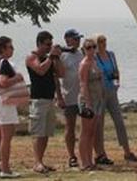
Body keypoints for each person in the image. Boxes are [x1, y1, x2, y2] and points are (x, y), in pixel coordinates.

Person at [93, 34, 137, 164]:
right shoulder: (94, 57)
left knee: (119, 121)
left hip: (112, 91)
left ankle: (127, 151)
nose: (103, 44)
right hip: (100, 93)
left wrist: (117, 82)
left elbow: (116, 70)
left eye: (104, 41)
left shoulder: (111, 55)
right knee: (99, 124)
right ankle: (101, 153)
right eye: (100, 42)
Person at [25, 30, 64, 173]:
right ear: (39, 43)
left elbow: (61, 74)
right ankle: (37, 162)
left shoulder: (50, 59)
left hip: (49, 99)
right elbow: (40, 70)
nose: (49, 47)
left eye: (51, 44)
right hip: (38, 100)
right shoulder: (31, 57)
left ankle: (41, 160)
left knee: (46, 133)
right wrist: (51, 57)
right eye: (47, 44)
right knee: (38, 133)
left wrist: (57, 58)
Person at [0, 36, 23, 178]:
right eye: (10, 47)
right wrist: (17, 78)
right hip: (3, 100)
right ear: (3, 49)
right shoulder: (5, 63)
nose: (12, 50)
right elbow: (3, 82)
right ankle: (5, 169)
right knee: (6, 137)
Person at [78, 37, 105, 171]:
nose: (92, 50)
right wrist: (88, 103)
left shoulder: (95, 61)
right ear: (84, 49)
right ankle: (84, 162)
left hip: (98, 99)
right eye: (88, 48)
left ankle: (90, 160)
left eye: (93, 47)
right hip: (88, 100)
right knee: (86, 132)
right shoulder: (84, 64)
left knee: (93, 131)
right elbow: (83, 84)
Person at [59, 28, 84, 168]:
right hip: (69, 95)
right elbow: (56, 76)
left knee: (85, 126)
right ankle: (71, 155)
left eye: (79, 38)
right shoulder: (62, 55)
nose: (78, 41)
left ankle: (84, 153)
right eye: (75, 38)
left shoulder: (81, 53)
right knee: (70, 127)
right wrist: (59, 96)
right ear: (67, 39)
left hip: (82, 96)